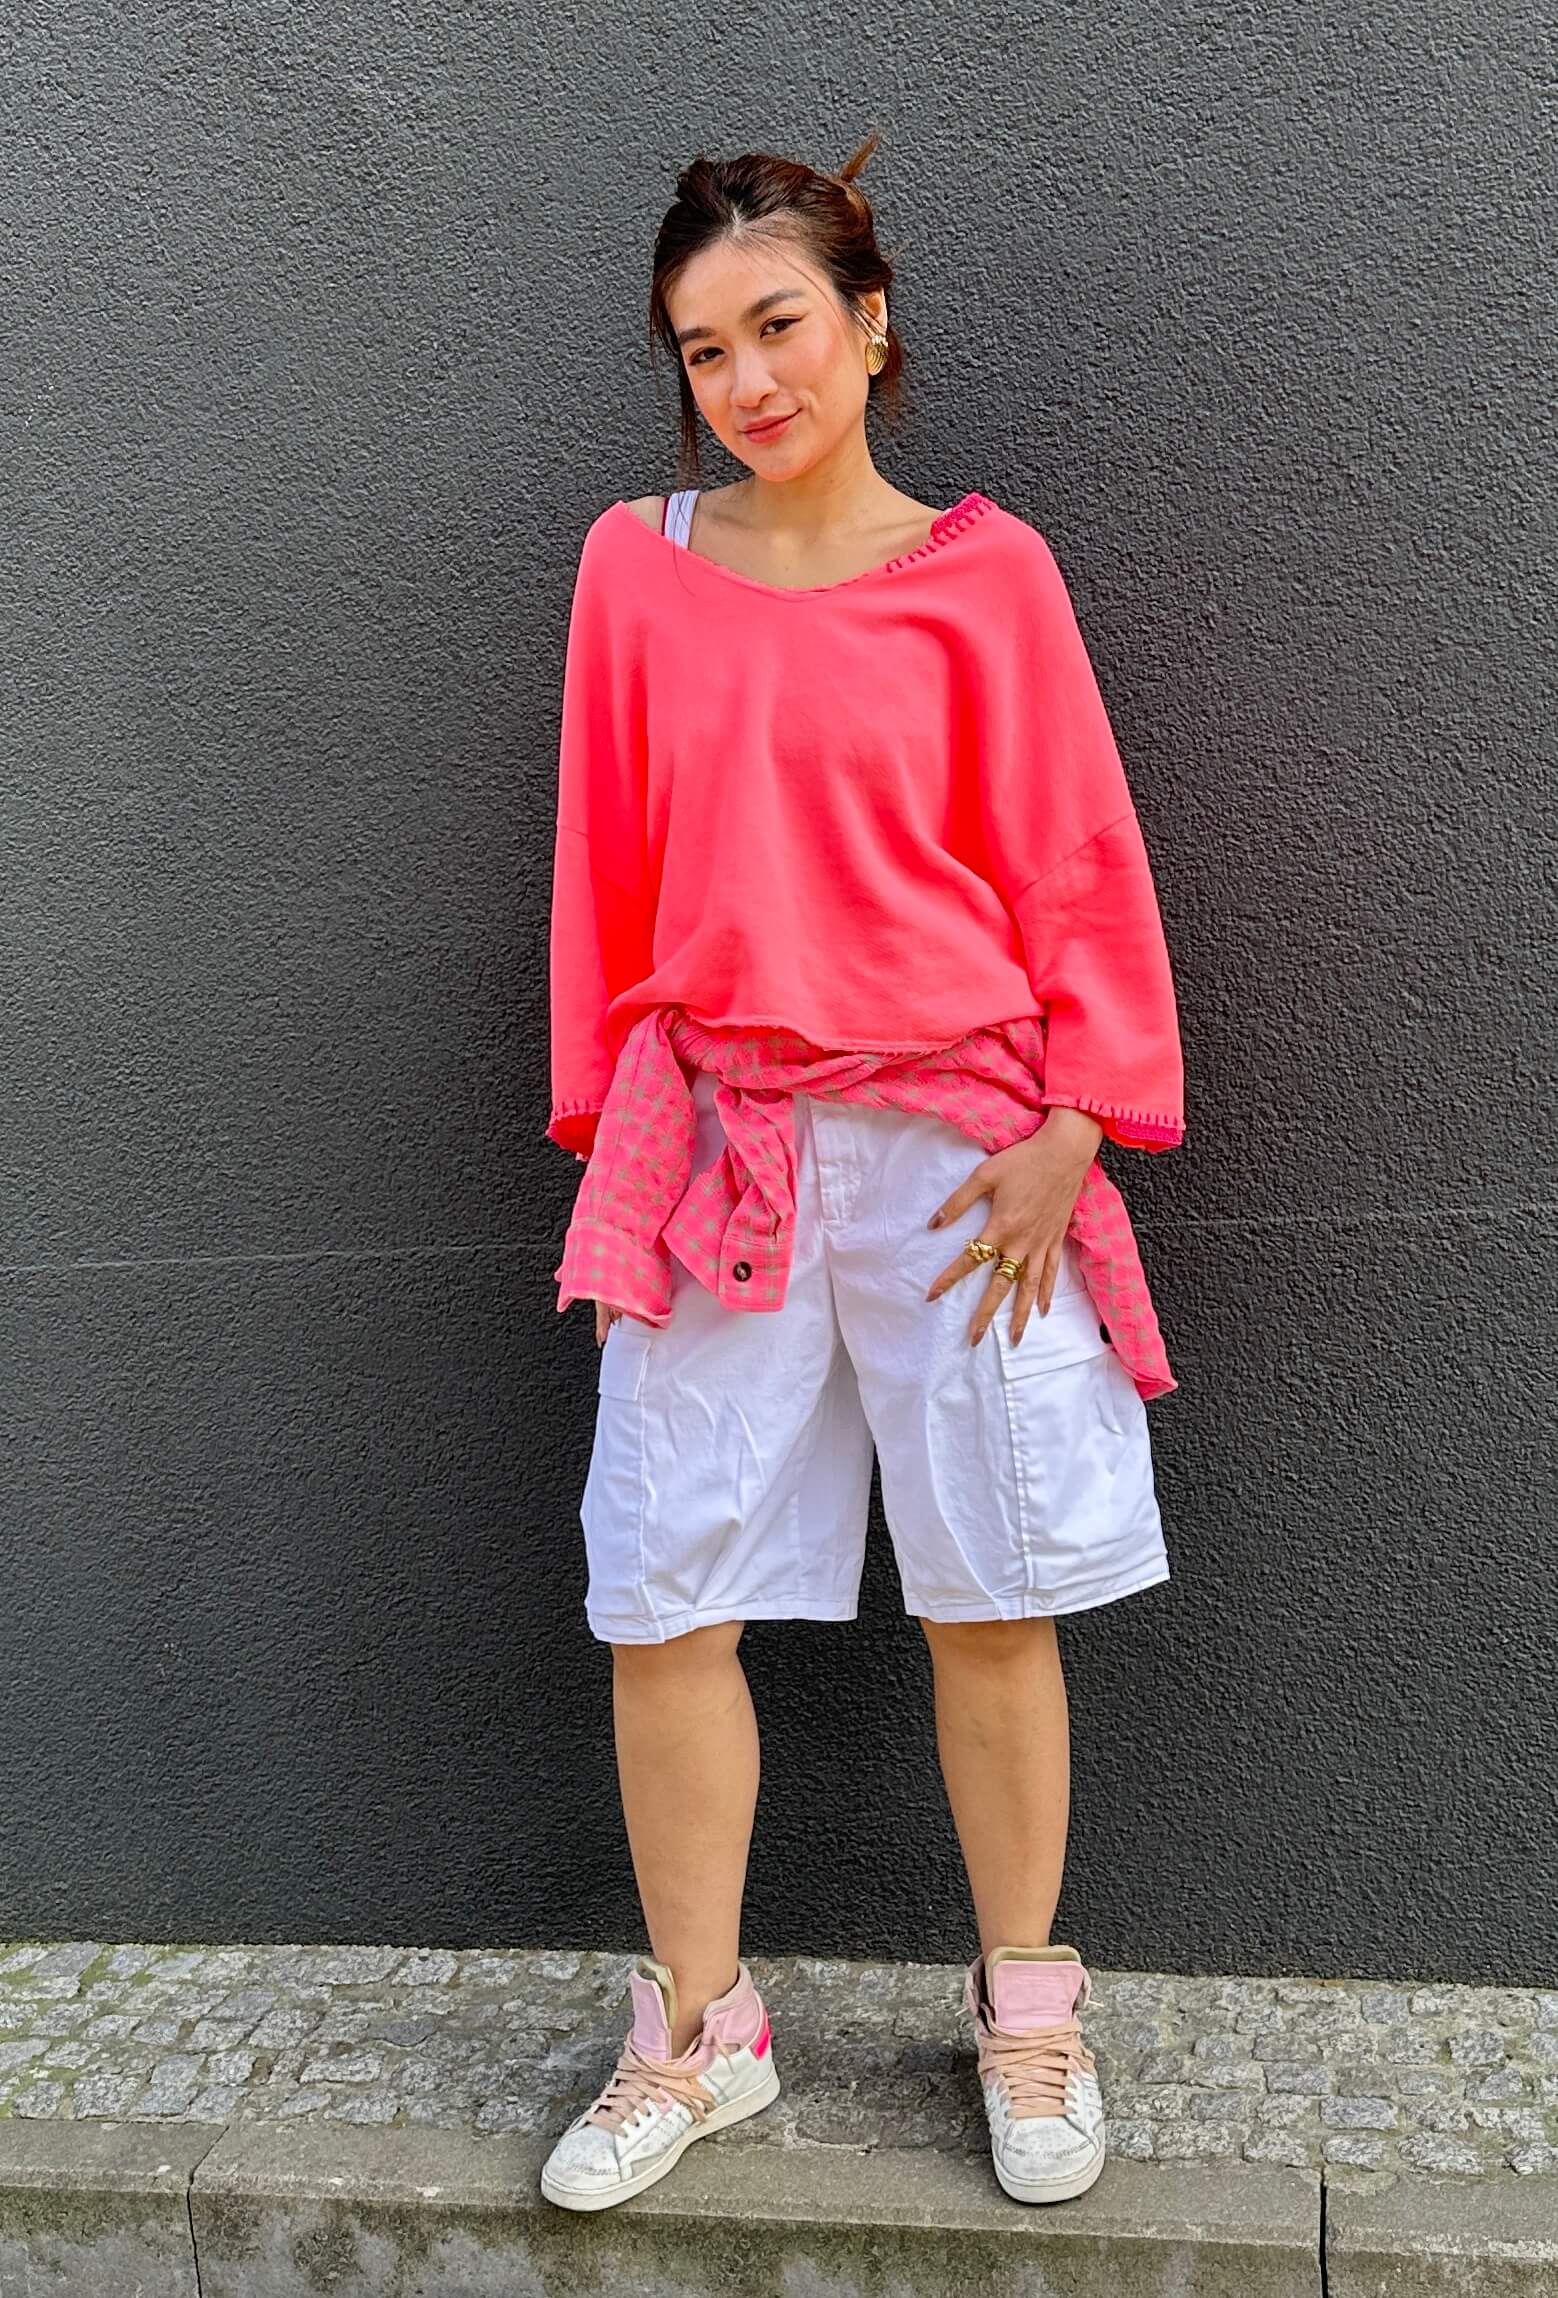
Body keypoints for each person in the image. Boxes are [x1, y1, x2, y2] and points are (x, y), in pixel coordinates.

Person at [538, 134, 1186, 2217]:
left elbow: (1074, 858)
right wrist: (609, 1145)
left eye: (779, 324)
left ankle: (1024, 2006)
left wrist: (1074, 1124)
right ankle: (698, 2031)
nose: (748, 379)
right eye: (701, 350)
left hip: (962, 1158)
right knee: (660, 1594)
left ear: (868, 320)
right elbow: (602, 873)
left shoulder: (988, 576)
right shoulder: (633, 568)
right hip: (718, 1149)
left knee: (990, 1592)